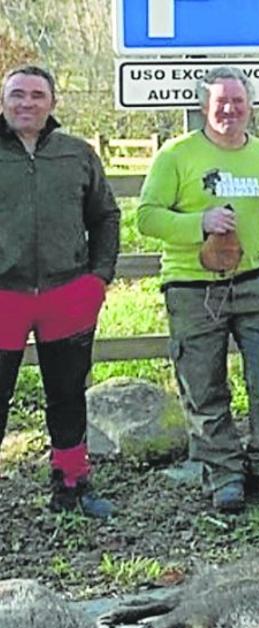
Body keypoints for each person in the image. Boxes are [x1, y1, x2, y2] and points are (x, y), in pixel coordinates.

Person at [137, 66, 259, 512]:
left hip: (255, 285)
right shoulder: (176, 155)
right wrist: (199, 224)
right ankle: (224, 474)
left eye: (237, 102)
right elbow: (147, 216)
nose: (229, 109)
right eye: (219, 103)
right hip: (193, 288)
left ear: (250, 106)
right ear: (204, 107)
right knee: (204, 386)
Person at [0, 65, 120, 518]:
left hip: (66, 293)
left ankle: (71, 484)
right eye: (16, 95)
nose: (26, 103)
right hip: (3, 296)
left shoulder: (76, 154)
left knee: (68, 393)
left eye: (36, 95)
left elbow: (106, 216)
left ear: (52, 103)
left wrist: (98, 277)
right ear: (3, 100)